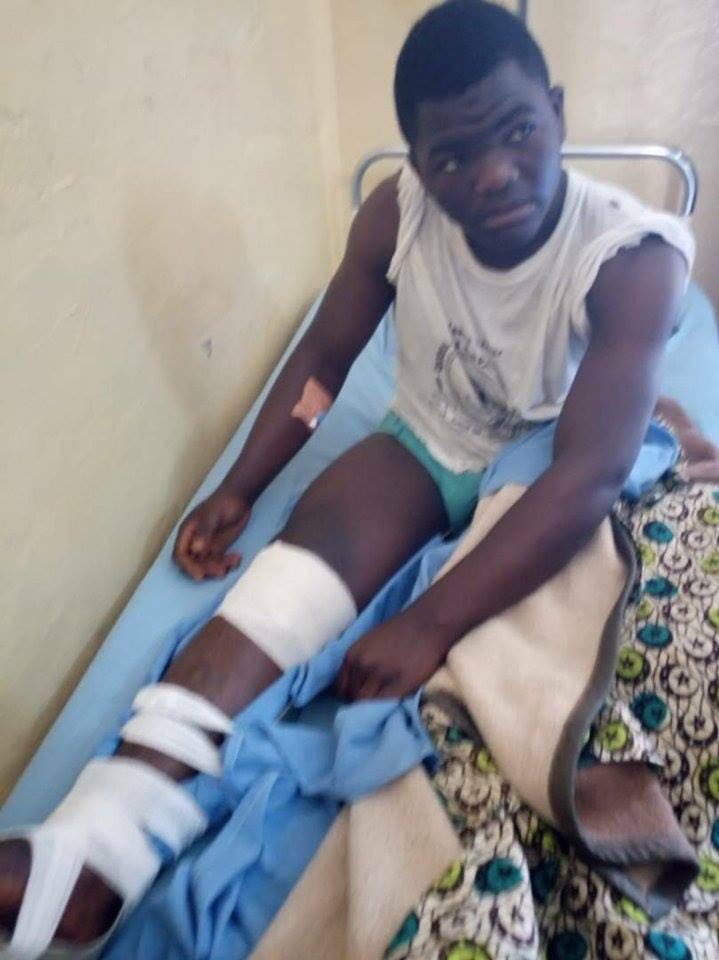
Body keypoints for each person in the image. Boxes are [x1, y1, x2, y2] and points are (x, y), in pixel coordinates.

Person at [0, 1, 695, 955]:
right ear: (417, 164)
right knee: (280, 592)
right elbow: (325, 362)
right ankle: (93, 850)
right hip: (428, 440)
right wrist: (243, 485)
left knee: (517, 680)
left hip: (548, 460)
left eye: (517, 132)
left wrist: (428, 623)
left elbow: (588, 475)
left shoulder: (631, 259)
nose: (494, 174)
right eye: (452, 157)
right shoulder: (394, 216)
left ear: (558, 112)